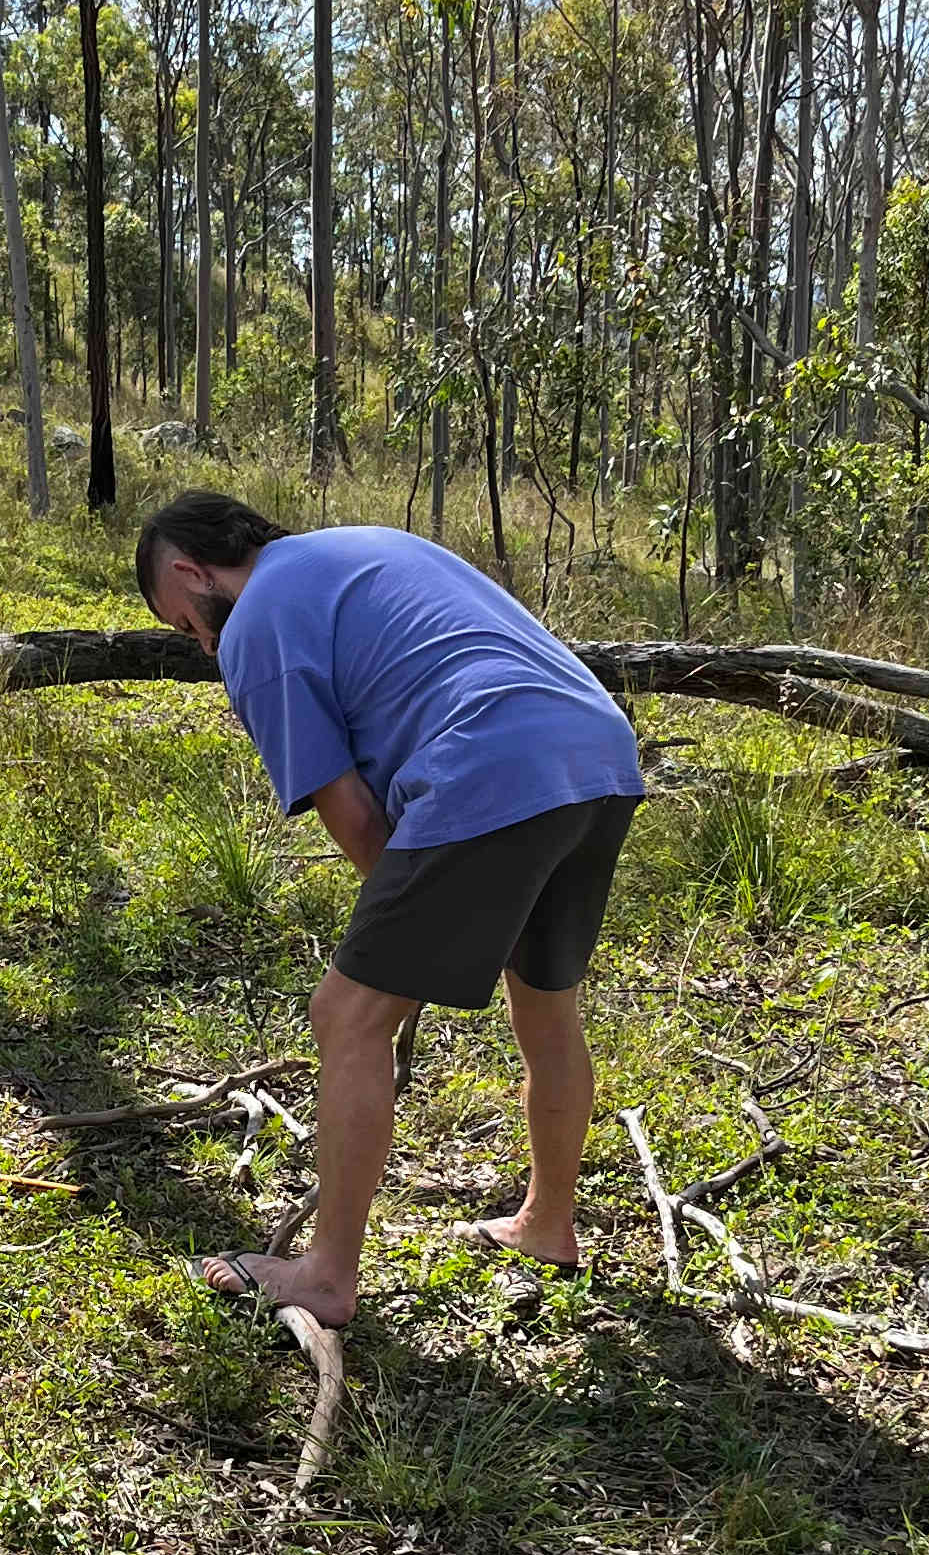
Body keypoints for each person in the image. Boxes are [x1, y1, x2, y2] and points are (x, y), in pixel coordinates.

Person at [136, 490, 642, 1330]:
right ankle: (548, 1224)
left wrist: (408, 948)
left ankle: (326, 1275)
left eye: (186, 624)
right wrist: (449, 921)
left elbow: (360, 827)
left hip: (490, 757)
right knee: (546, 1006)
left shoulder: (256, 623)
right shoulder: (363, 545)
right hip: (598, 752)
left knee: (347, 1014)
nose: (204, 643)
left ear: (192, 570)